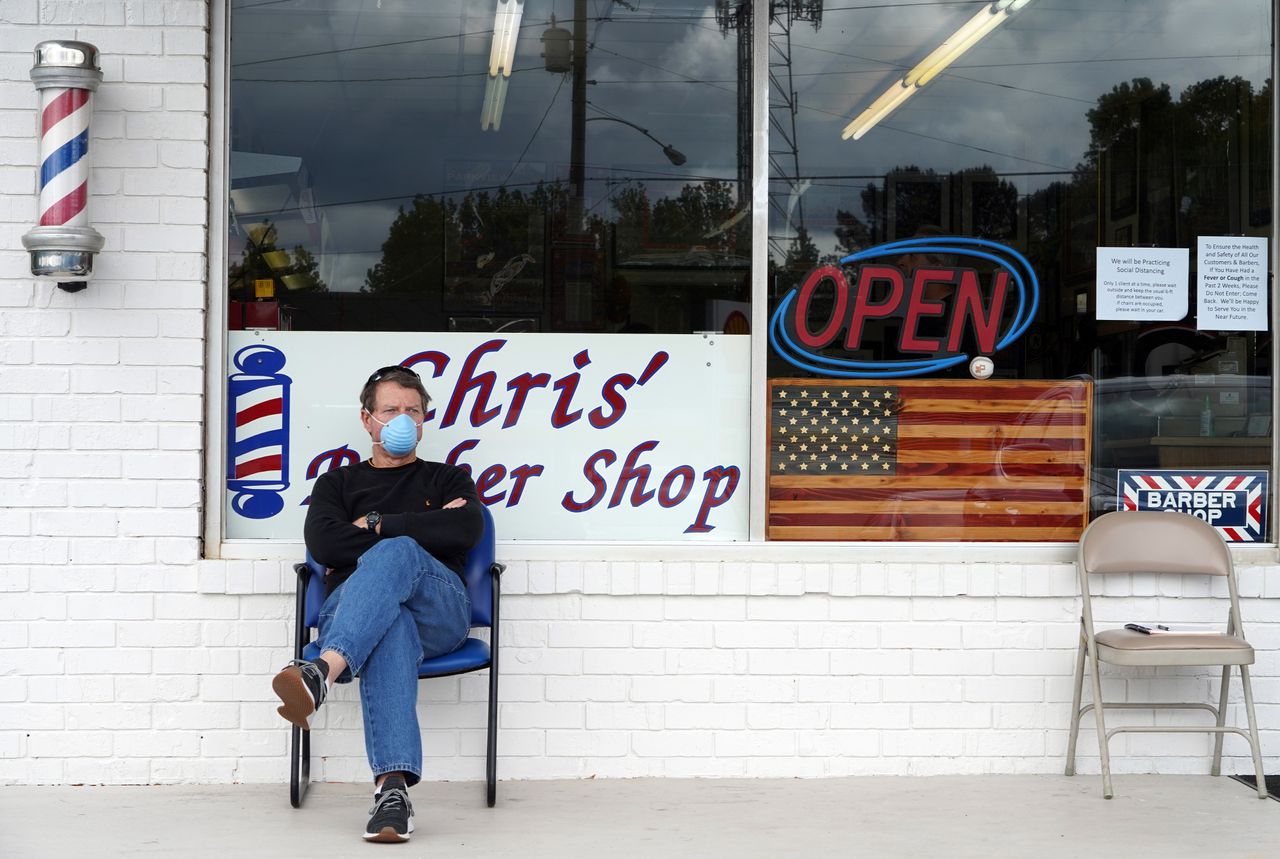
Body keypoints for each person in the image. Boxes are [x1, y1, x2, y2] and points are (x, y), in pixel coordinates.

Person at [271, 364, 482, 843]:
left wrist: (377, 525)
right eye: (391, 410)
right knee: (392, 622)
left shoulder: (449, 479)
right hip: (359, 612)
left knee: (399, 551)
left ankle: (321, 670)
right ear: (367, 420)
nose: (403, 419)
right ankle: (392, 794)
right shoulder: (337, 484)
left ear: (425, 419)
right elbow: (325, 544)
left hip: (440, 610)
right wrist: (420, 528)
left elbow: (466, 529)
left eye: (413, 410)